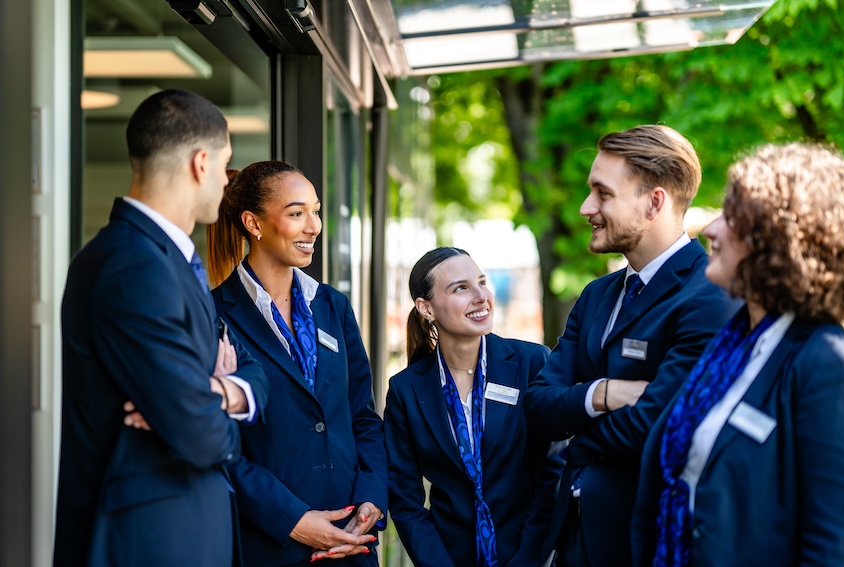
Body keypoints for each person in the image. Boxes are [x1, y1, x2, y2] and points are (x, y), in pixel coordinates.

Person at [55, 89, 269, 567]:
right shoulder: (130, 265)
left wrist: (216, 392)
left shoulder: (173, 258)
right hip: (146, 541)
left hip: (182, 531)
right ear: (200, 163)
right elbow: (202, 437)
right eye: (224, 164)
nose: (224, 182)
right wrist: (206, 405)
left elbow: (251, 372)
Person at [523, 124, 738, 567]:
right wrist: (603, 393)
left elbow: (655, 427)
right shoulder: (596, 295)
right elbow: (538, 408)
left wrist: (577, 436)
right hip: (573, 540)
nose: (587, 208)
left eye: (603, 193)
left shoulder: (707, 296)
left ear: (654, 202)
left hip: (643, 543)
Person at [632, 143, 844, 567]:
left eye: (732, 218)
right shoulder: (732, 344)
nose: (711, 229)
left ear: (779, 239)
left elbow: (833, 545)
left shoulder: (826, 362)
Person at [207, 160, 387, 566]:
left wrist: (371, 499)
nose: (314, 226)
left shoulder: (332, 306)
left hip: (350, 539)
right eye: (296, 213)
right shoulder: (214, 314)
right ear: (253, 223)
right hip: (271, 545)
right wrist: (293, 520)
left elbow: (362, 416)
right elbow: (219, 444)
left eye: (316, 210)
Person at [384, 247, 561, 567]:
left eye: (482, 282)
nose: (481, 296)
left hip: (529, 555)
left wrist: (528, 561)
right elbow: (406, 502)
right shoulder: (405, 390)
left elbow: (550, 476)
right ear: (426, 308)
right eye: (461, 288)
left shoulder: (531, 363)